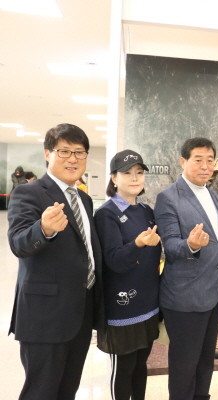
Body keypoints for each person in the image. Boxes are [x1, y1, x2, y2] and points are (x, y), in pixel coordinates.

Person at [7, 123, 105, 400]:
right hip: (45, 315)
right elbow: (18, 243)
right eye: (64, 151)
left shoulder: (84, 199)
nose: (73, 159)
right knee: (41, 391)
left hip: (80, 313)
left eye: (79, 152)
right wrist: (44, 229)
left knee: (67, 390)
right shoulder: (29, 193)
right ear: (48, 153)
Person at [154, 137, 218, 400]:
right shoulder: (168, 197)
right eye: (198, 160)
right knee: (184, 365)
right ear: (183, 161)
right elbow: (170, 245)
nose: (205, 166)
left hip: (213, 293)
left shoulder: (213, 195)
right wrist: (191, 245)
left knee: (205, 362)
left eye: (210, 160)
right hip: (185, 297)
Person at [94, 149, 162, 400]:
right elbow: (114, 261)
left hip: (148, 303)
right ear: (114, 178)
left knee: (141, 364)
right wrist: (139, 244)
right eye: (127, 173)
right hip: (122, 306)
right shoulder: (106, 214)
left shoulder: (146, 211)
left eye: (139, 172)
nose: (135, 178)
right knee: (123, 368)